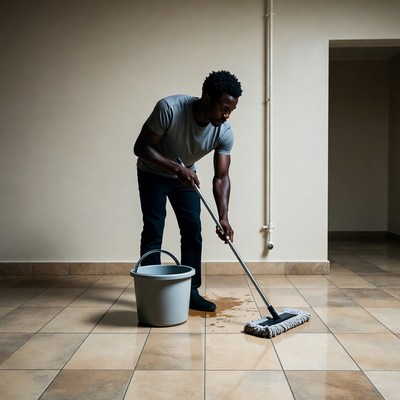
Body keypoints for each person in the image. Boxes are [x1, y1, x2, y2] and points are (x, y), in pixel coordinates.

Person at [133, 70, 242, 312]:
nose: (227, 115)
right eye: (223, 108)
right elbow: (141, 147)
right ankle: (152, 292)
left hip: (185, 176)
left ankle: (190, 292)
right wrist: (175, 168)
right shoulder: (169, 108)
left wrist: (223, 217)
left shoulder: (224, 131)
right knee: (153, 228)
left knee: (193, 230)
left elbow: (221, 177)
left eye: (231, 110)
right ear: (206, 98)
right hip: (153, 172)